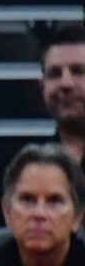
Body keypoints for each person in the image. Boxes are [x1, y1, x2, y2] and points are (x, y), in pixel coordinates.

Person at [39, 25, 85, 165]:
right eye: (55, 74)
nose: (65, 83)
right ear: (42, 87)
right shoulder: (31, 168)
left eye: (78, 71)